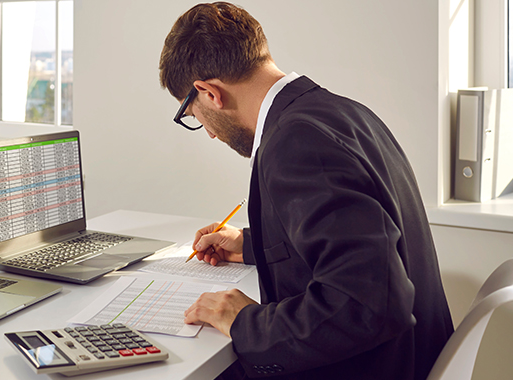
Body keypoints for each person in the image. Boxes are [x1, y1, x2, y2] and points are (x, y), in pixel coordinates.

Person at [159, 2, 454, 379]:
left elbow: (367, 305)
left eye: (195, 116)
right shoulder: (342, 112)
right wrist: (251, 245)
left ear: (209, 93)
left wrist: (244, 320)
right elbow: (361, 239)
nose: (211, 132)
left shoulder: (297, 142)